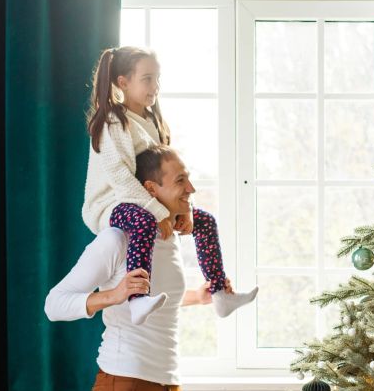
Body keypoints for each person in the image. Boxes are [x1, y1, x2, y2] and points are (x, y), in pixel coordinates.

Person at [46, 146, 241, 391]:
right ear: (152, 189)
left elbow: (159, 298)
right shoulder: (116, 239)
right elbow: (54, 304)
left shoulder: (168, 240)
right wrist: (115, 294)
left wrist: (198, 296)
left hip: (168, 385)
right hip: (127, 384)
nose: (191, 189)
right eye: (180, 180)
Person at [82, 45, 256, 324]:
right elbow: (122, 179)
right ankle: (137, 300)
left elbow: (166, 177)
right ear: (123, 82)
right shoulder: (114, 122)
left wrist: (184, 211)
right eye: (147, 79)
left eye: (157, 78)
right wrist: (161, 214)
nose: (155, 86)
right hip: (111, 204)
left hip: (149, 204)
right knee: (142, 222)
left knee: (205, 221)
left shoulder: (151, 121)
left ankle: (221, 294)